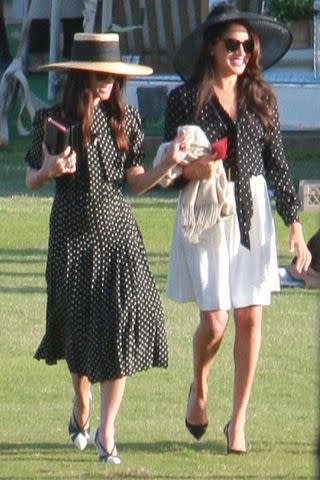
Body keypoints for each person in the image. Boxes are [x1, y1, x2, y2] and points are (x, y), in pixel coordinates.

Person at [25, 32, 185, 464]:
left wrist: (164, 166)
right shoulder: (52, 120)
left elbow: (134, 182)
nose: (109, 82)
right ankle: (81, 407)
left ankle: (107, 434)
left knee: (123, 328)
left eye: (114, 75)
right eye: (101, 74)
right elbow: (30, 178)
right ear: (82, 76)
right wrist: (50, 168)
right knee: (77, 340)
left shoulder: (126, 119)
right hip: (71, 239)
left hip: (118, 237)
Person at [162, 2, 312, 454]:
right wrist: (195, 170)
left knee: (249, 317)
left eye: (247, 46)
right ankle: (200, 386)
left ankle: (238, 422)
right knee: (215, 321)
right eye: (232, 44)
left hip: (253, 214)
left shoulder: (262, 98)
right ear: (212, 46)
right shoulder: (184, 99)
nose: (241, 52)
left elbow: (279, 167)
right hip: (207, 215)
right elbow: (169, 173)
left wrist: (296, 225)